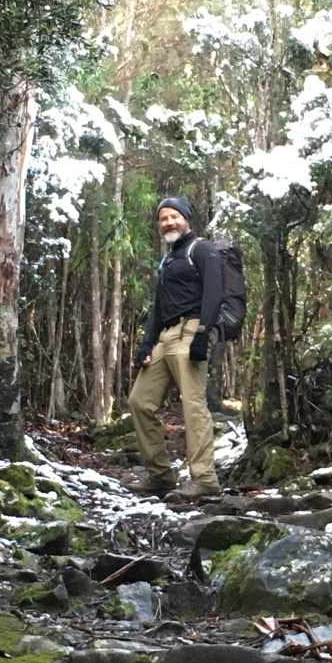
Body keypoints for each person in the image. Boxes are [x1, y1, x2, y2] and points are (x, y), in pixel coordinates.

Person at [125, 196, 224, 501]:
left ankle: (205, 479)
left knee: (193, 405)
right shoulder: (168, 260)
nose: (168, 222)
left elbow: (215, 292)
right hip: (166, 336)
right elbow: (158, 306)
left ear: (186, 219)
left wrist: (203, 334)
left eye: (174, 216)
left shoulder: (201, 249)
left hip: (191, 328)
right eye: (163, 218)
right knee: (139, 401)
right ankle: (161, 475)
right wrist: (146, 343)